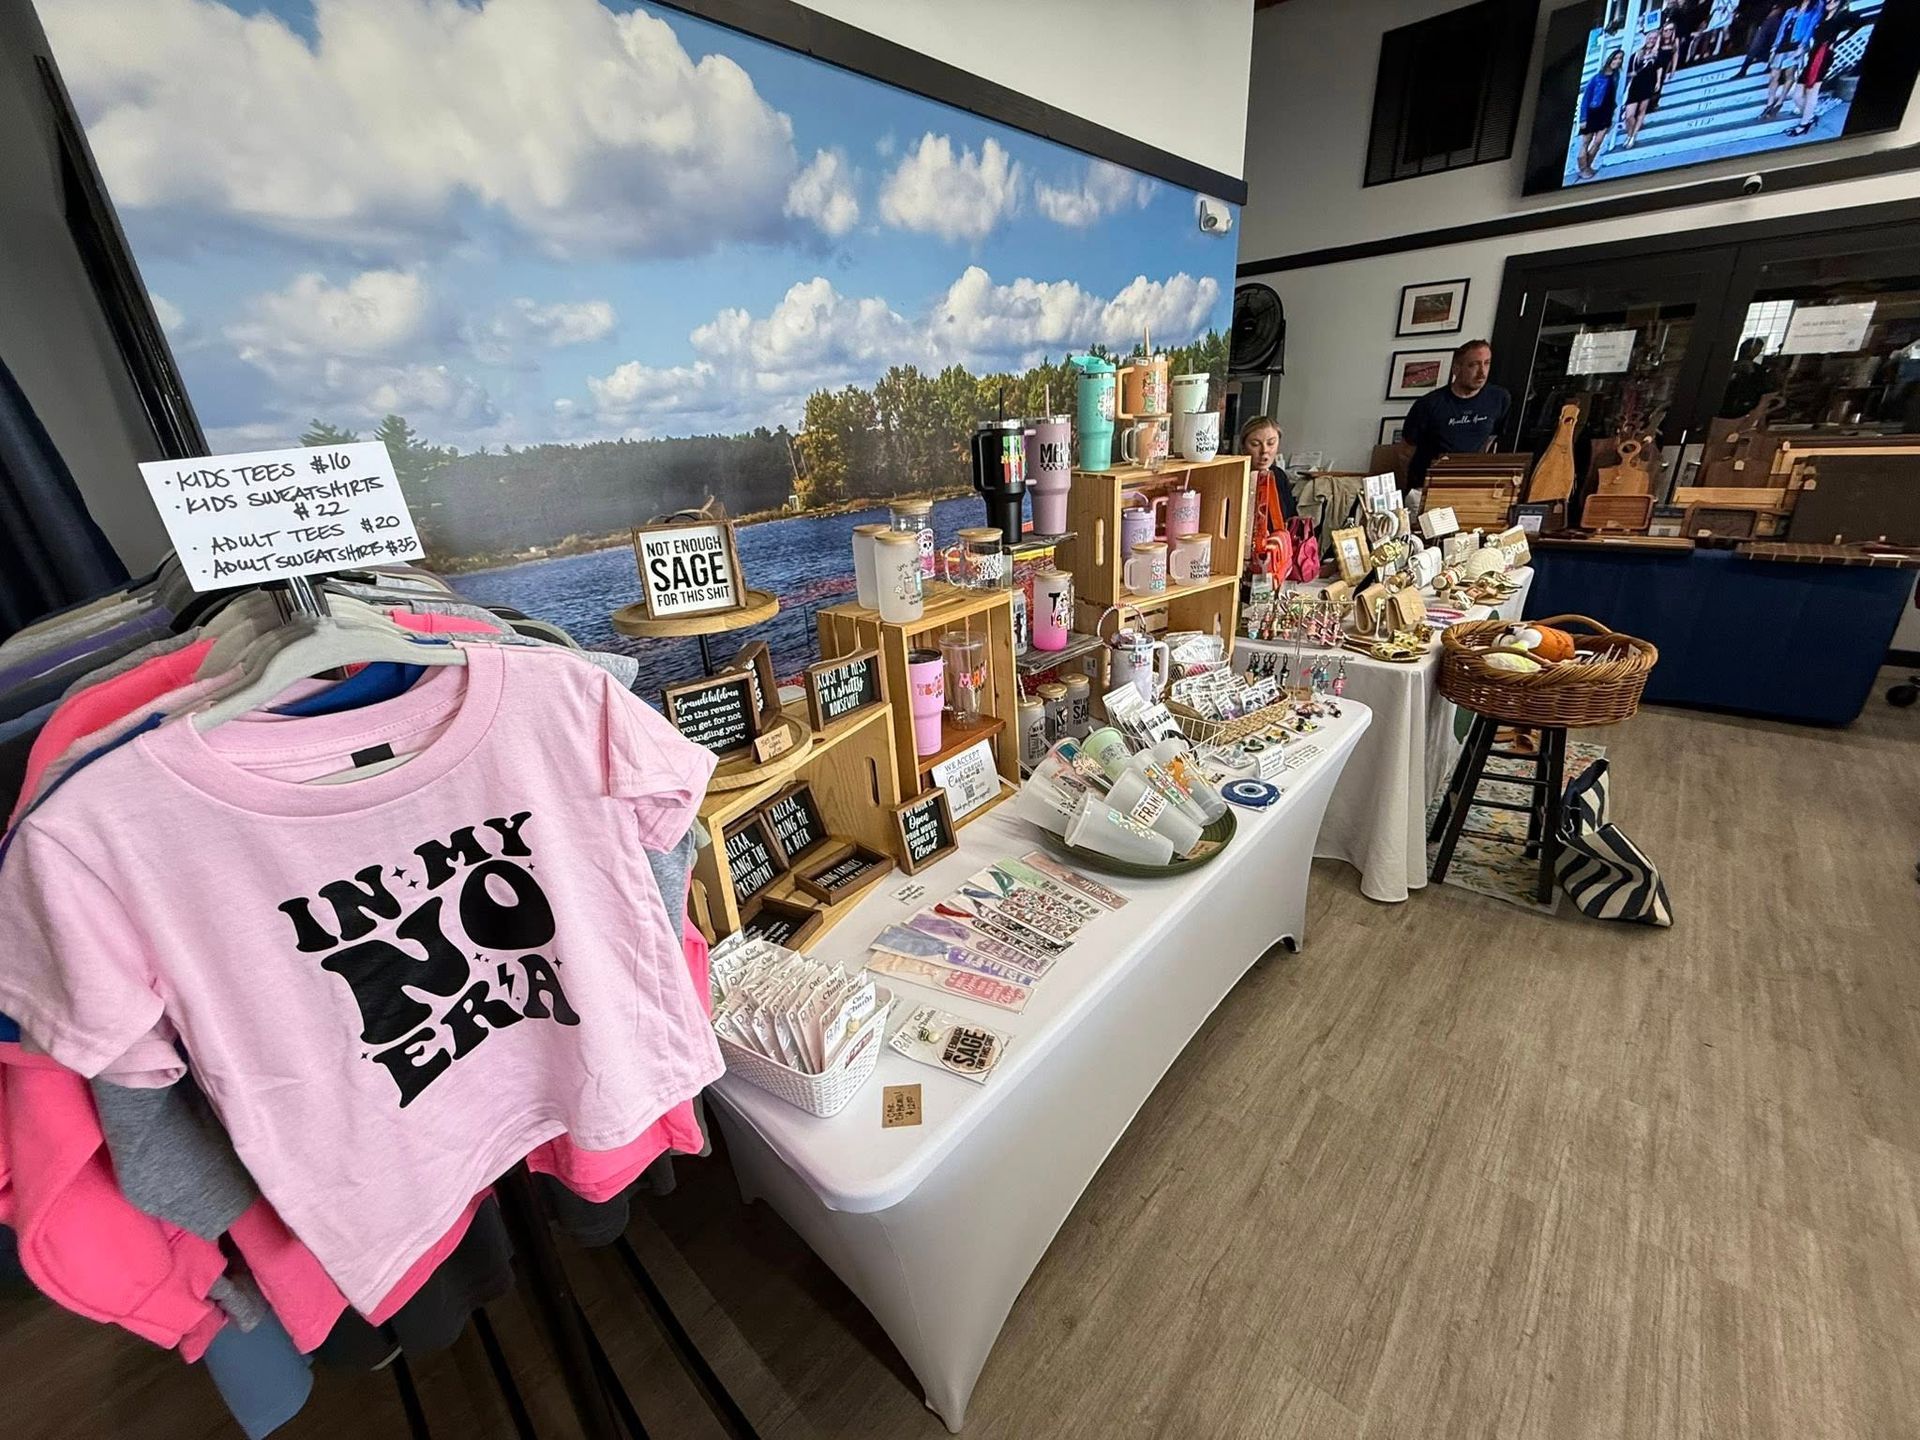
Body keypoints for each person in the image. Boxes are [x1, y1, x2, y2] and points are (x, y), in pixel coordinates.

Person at [1401, 340, 1511, 490]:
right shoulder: (1429, 404)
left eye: (1487, 363)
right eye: (1473, 365)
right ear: (1456, 369)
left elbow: (1491, 439)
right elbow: (1406, 451)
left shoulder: (1499, 398)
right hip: (1427, 484)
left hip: (1468, 484)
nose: (1482, 373)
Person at [1787, 0, 1866, 136]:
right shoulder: (1822, 16)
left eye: (1833, 0)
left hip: (1823, 56)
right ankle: (1810, 118)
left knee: (1812, 91)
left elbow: (1860, 21)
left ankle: (1804, 124)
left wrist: (1837, 41)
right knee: (1797, 95)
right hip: (1812, 56)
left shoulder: (1841, 16)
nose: (1829, 1)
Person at [1240, 415, 1296, 558]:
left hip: (1275, 557)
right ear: (1243, 446)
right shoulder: (1236, 477)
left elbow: (1290, 519)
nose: (1264, 450)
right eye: (1255, 444)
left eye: (1271, 443)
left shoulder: (1279, 476)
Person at [1764, 0, 1820, 117]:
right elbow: (1781, 30)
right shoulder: (1791, 10)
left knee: (1789, 74)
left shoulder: (1813, 10)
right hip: (1782, 45)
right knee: (1774, 75)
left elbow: (1810, 28)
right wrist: (1774, 47)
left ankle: (1780, 101)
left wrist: (1802, 46)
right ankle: (1769, 103)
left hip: (1796, 45)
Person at [1577, 50, 1625, 178]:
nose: (1618, 61)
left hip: (1606, 113)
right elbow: (1586, 98)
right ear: (1609, 60)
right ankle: (1583, 168)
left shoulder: (1616, 76)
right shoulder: (1596, 78)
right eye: (1615, 58)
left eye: (1620, 59)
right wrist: (1583, 118)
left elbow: (1613, 97)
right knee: (1586, 142)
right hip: (1594, 112)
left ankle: (1588, 166)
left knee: (1598, 141)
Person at [1622, 35, 1664, 147]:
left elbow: (1659, 68)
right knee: (1629, 115)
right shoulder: (1636, 54)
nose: (1651, 40)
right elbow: (1628, 71)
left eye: (1654, 39)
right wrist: (1631, 74)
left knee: (1641, 111)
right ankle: (1630, 134)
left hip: (1648, 85)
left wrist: (1658, 82)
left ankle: (1633, 137)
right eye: (1650, 38)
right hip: (1635, 85)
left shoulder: (1656, 55)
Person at [1737, 3, 1787, 77]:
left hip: (1777, 18)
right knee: (1756, 44)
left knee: (1773, 44)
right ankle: (1743, 70)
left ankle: (1769, 65)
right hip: (1766, 18)